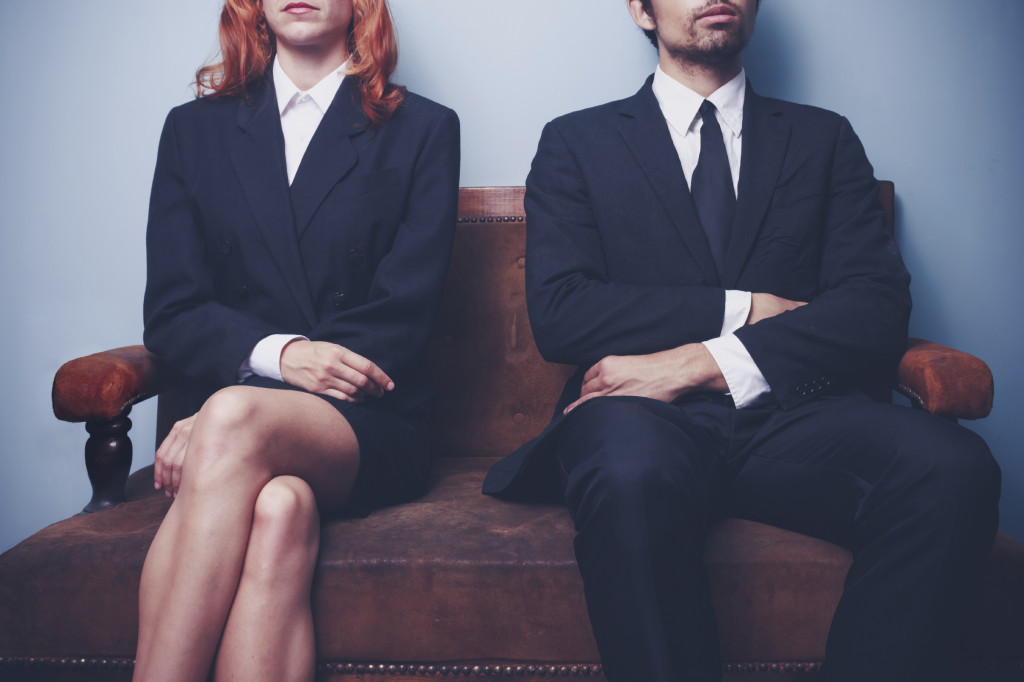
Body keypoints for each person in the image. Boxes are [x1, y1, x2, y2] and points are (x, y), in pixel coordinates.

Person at [483, 1, 1000, 680]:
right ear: (640, 10)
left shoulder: (824, 140)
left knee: (955, 467)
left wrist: (706, 362)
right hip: (636, 414)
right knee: (629, 470)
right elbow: (562, 313)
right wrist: (744, 307)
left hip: (793, 416)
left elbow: (875, 306)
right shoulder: (576, 142)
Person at [135, 0, 459, 679]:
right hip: (236, 414)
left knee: (230, 418)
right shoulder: (191, 131)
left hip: (370, 418)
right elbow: (172, 309)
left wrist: (231, 410)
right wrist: (281, 359)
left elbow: (401, 313)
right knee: (282, 508)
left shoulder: (423, 127)